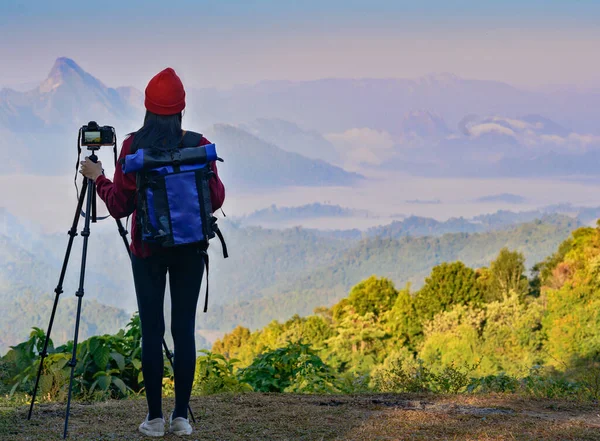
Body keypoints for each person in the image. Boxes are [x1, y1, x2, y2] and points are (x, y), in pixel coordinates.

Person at [80, 67, 225, 437]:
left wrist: (98, 177)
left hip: (147, 250)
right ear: (181, 109)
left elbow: (120, 205)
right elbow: (218, 197)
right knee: (184, 330)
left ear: (147, 108)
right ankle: (181, 419)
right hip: (191, 249)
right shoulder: (198, 143)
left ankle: (154, 420)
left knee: (152, 330)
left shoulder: (133, 147)